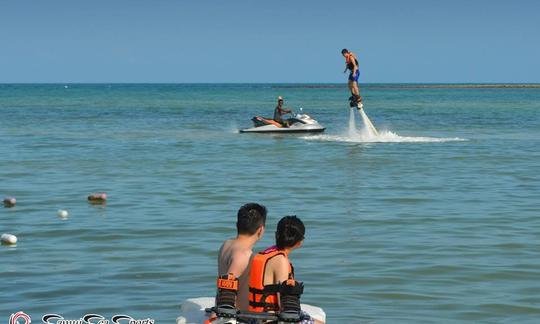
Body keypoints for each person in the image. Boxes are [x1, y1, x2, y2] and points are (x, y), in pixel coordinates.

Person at [248, 216, 325, 324]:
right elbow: (284, 305)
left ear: (277, 235)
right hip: (271, 320)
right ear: (300, 241)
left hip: (256, 317)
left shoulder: (267, 253)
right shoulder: (281, 261)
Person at [216, 203, 267, 311]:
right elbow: (226, 293)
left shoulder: (226, 244)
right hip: (236, 316)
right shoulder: (244, 255)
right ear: (261, 230)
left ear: (237, 224)